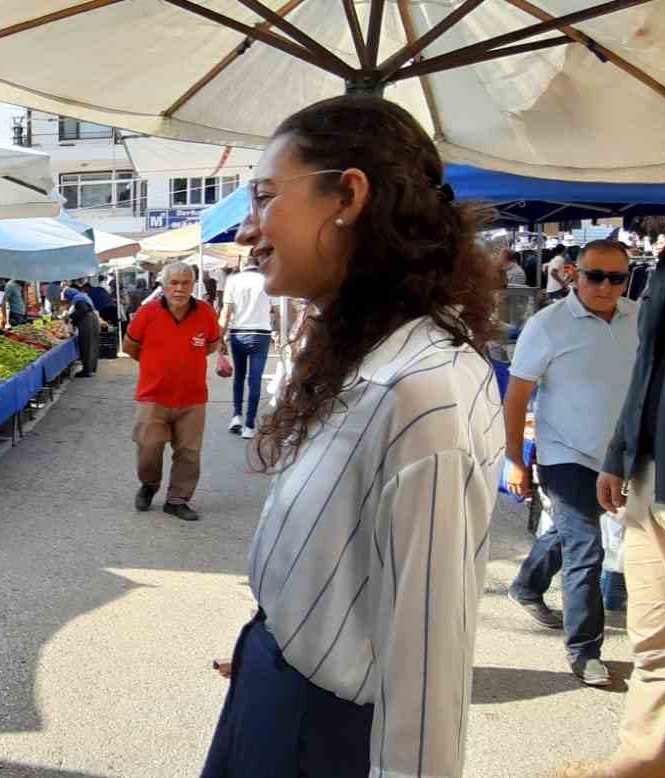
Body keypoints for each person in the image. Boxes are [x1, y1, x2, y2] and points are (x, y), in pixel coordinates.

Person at [203, 95, 504, 777]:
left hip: (326, 737)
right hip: (277, 686)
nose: (250, 230)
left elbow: (429, 661)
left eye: (264, 197)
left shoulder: (420, 391)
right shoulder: (366, 354)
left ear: (348, 195)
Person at [574, 116, 665, 778]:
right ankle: (641, 764)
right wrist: (618, 451)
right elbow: (648, 368)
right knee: (652, 648)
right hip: (650, 483)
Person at [502, 239, 639, 688]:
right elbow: (517, 396)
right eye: (595, 275)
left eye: (616, 277)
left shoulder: (640, 318)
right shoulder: (547, 325)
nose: (605, 286)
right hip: (565, 455)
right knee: (587, 549)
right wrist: (514, 460)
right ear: (574, 275)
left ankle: (526, 585)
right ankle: (585, 651)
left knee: (567, 530)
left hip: (617, 456)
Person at [123, 262, 222, 521]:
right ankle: (149, 484)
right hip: (153, 395)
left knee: (188, 452)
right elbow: (130, 346)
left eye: (185, 283)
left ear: (193, 285)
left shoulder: (206, 313)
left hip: (192, 397)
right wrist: (156, 367)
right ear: (163, 285)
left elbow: (211, 345)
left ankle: (177, 500)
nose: (179, 289)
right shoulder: (147, 312)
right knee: (148, 446)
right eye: (174, 283)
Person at [219, 256, 272, 439]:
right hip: (261, 334)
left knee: (239, 377)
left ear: (244, 264)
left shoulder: (233, 281)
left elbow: (226, 312)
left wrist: (220, 338)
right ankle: (249, 426)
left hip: (238, 333)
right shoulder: (269, 279)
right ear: (259, 263)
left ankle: (236, 416)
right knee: (255, 380)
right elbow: (277, 312)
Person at [62, 286, 100, 378]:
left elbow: (83, 310)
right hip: (92, 319)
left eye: (67, 297)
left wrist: (70, 317)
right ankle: (91, 369)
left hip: (87, 321)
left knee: (86, 345)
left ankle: (86, 371)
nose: (67, 299)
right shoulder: (82, 296)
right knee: (92, 345)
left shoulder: (78, 298)